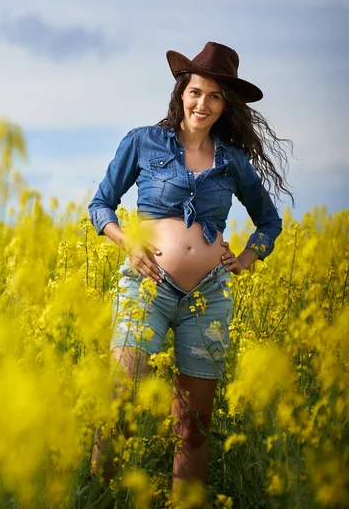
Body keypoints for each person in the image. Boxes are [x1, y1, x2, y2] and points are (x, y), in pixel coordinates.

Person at [88, 41, 292, 493]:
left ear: (225, 106)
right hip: (147, 287)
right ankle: (98, 500)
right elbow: (101, 204)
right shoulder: (142, 141)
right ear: (182, 92)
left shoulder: (233, 160)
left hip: (209, 297)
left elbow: (269, 220)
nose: (203, 103)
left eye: (215, 96)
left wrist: (246, 258)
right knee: (120, 402)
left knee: (193, 425)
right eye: (196, 92)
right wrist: (129, 244)